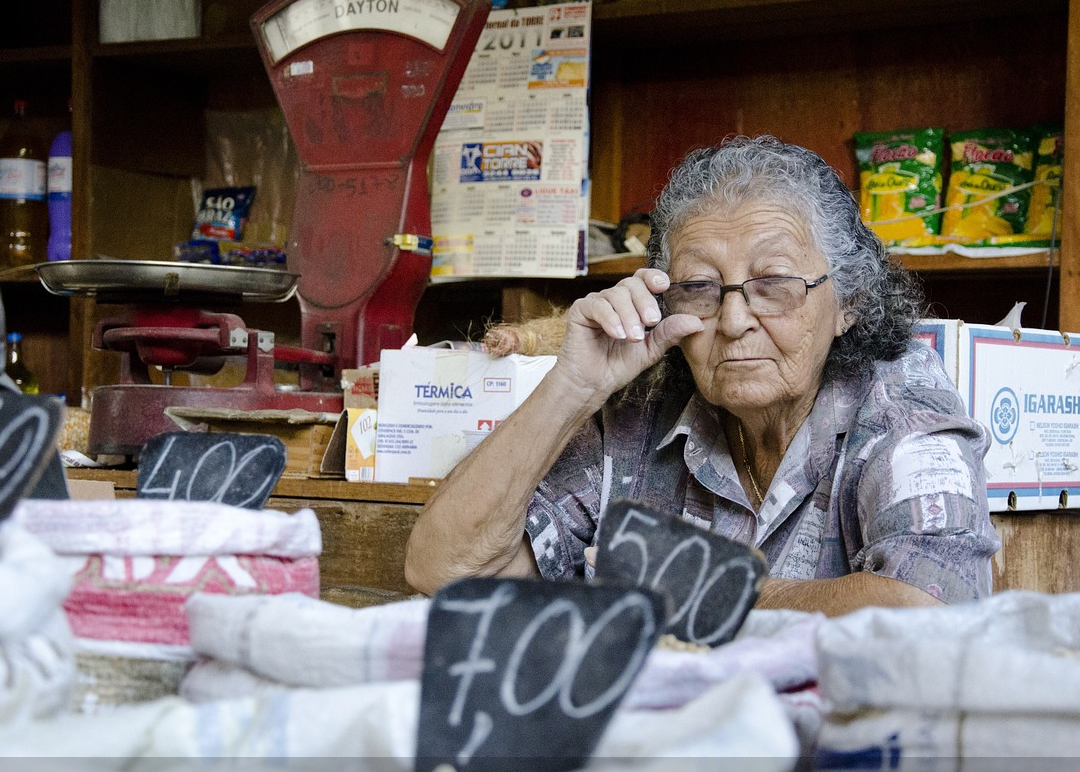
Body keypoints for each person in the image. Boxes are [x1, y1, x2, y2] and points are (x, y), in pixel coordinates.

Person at [405, 135, 1000, 616]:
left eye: (774, 285)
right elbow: (445, 570)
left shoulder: (902, 403)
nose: (735, 319)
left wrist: (684, 596)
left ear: (849, 303)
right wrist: (572, 390)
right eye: (700, 289)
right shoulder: (642, 409)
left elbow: (932, 608)